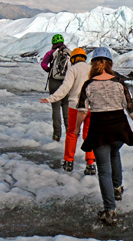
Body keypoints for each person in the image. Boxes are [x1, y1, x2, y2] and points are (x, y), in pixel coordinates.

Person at [75, 47, 133, 226]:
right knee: (115, 154)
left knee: (103, 169)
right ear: (110, 63)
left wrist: (75, 129)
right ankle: (117, 188)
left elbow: (82, 111)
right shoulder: (119, 82)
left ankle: (110, 211)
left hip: (100, 130)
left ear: (94, 64)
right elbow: (130, 107)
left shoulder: (88, 85)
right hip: (120, 128)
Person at [40, 47, 96, 175]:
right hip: (92, 108)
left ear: (73, 58)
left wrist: (50, 98)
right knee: (89, 135)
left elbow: (65, 88)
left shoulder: (73, 69)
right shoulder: (92, 69)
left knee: (72, 133)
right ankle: (91, 164)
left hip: (75, 107)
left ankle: (68, 162)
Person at [41, 34, 71, 141]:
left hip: (54, 82)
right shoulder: (68, 52)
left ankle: (57, 134)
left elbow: (43, 64)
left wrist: (50, 70)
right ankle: (69, 133)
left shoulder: (51, 53)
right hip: (66, 82)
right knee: (66, 106)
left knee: (56, 108)